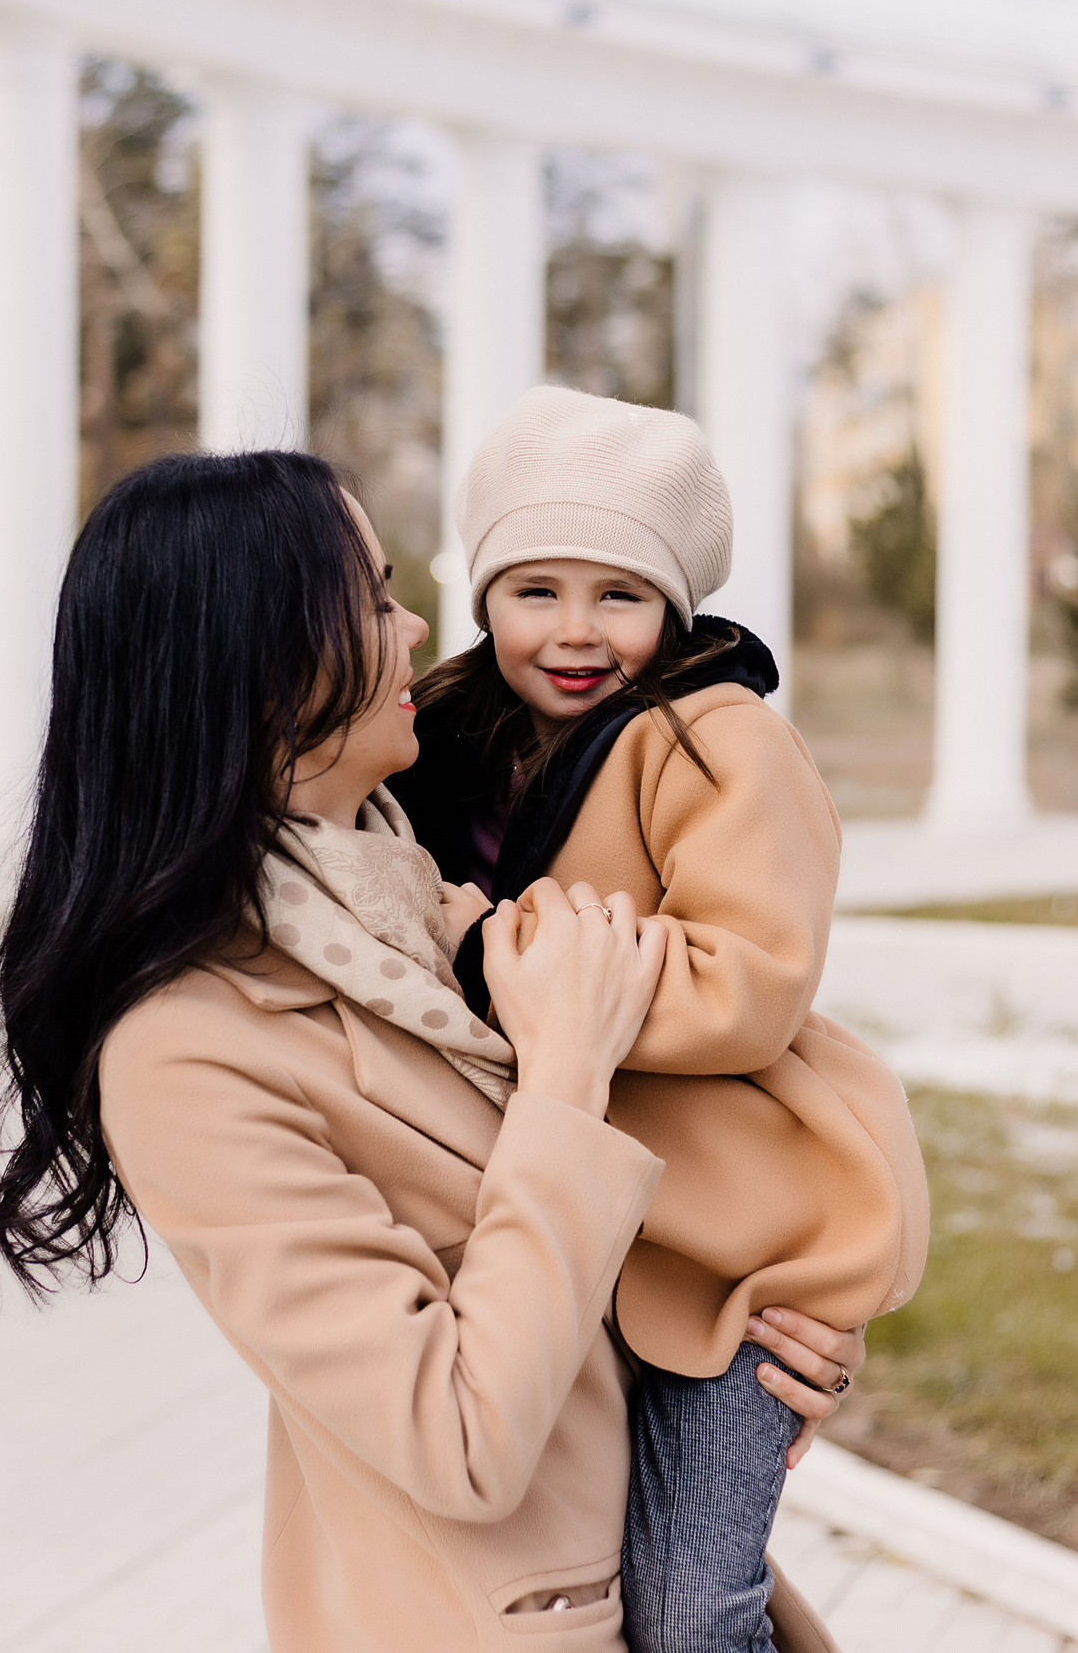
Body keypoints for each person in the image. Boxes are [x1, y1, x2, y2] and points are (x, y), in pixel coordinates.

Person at [0, 449, 861, 1652]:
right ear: (262, 658)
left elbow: (615, 1215)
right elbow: (459, 1437)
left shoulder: (432, 895)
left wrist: (766, 1316)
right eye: (374, 596)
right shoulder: (189, 1051)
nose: (415, 627)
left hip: (653, 1586)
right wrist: (563, 1080)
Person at [389, 388, 931, 1653]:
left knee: (692, 1611)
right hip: (585, 1245)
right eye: (535, 591)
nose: (576, 632)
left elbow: (746, 983)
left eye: (619, 596)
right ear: (484, 595)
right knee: (587, 1599)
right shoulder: (453, 735)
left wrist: (497, 953)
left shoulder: (716, 741)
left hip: (746, 1258)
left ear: (675, 607)